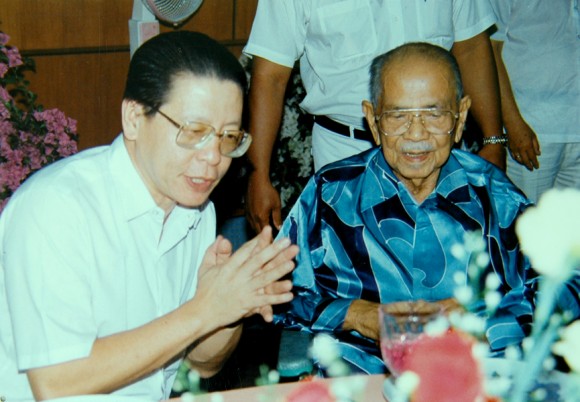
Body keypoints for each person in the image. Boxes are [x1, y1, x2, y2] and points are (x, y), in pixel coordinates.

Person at [0, 31, 299, 402]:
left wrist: (231, 305)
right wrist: (203, 310)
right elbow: (57, 382)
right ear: (135, 117)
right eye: (195, 132)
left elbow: (202, 364)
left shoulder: (196, 211)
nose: (213, 158)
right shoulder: (56, 209)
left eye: (228, 137)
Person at [273, 42, 535, 374]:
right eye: (398, 115)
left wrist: (481, 320)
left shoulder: (495, 197)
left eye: (434, 113)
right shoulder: (330, 197)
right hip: (362, 376)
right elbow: (274, 291)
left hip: (472, 377)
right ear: (372, 118)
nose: (416, 133)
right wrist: (358, 315)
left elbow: (566, 283)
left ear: (461, 116)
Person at [244, 0, 509, 233]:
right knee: (353, 265)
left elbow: (471, 45)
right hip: (344, 148)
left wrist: (494, 139)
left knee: (443, 256)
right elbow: (270, 77)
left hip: (435, 145)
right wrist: (258, 174)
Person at [489, 0, 580, 204]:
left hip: (575, 126)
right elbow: (489, 52)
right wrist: (513, 124)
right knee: (528, 226)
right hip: (532, 133)